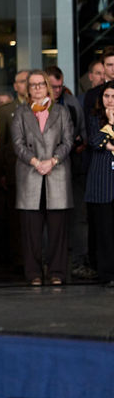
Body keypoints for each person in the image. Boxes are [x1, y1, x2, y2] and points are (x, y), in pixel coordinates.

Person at [11, 70, 73, 286]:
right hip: (30, 173)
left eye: (41, 84)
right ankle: (34, 274)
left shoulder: (62, 112)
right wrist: (36, 162)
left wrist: (53, 161)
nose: (37, 88)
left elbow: (68, 141)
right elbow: (17, 144)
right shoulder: (20, 113)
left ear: (48, 86)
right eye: (33, 85)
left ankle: (57, 272)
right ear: (27, 90)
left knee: (58, 230)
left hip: (56, 172)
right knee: (31, 231)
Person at [85, 82, 114, 286]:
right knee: (104, 232)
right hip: (102, 183)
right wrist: (111, 124)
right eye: (106, 96)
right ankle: (107, 274)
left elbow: (105, 144)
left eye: (113, 96)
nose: (109, 100)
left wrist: (108, 143)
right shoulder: (94, 117)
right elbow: (95, 142)